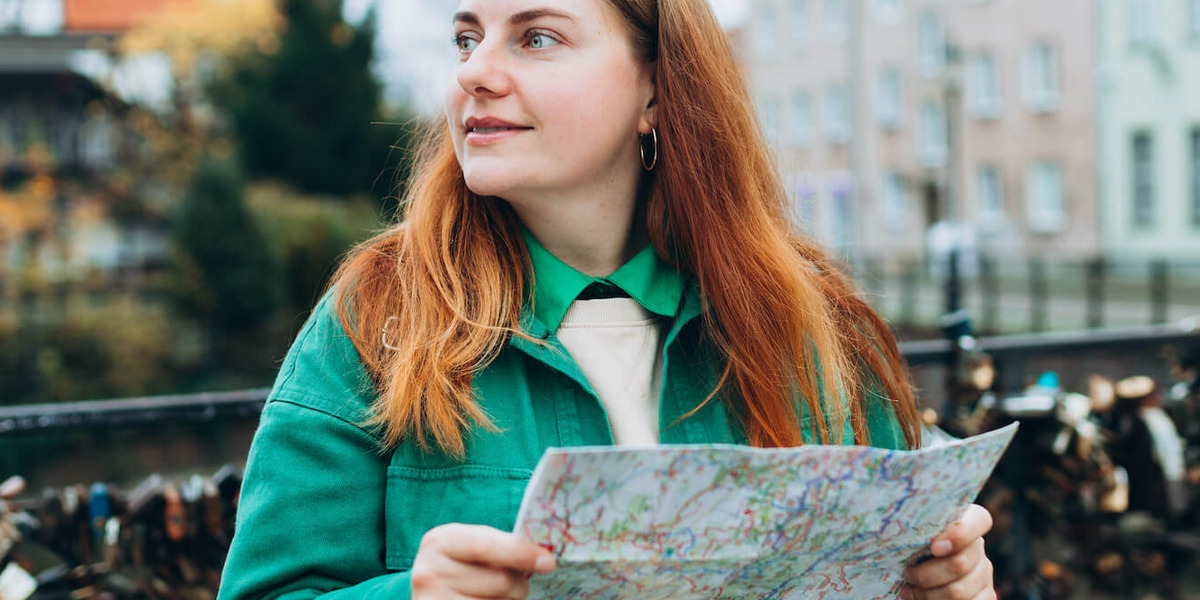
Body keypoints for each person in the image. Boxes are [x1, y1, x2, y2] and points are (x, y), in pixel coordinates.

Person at [217, 0, 997, 598]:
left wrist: (951, 585)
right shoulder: (379, 316)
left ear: (656, 88)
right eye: (467, 37)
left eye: (536, 38)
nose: (473, 71)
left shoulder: (805, 319)